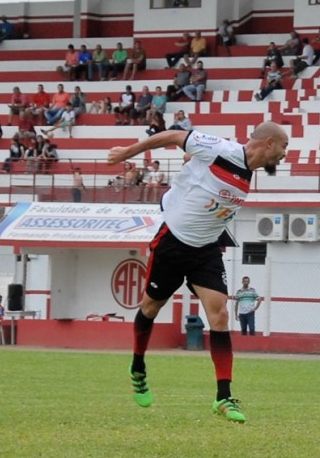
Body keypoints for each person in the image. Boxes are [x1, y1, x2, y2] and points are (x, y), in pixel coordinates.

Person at [107, 122, 288, 422]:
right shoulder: (222, 149)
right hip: (173, 243)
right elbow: (174, 136)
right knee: (150, 307)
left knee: (220, 315)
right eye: (283, 147)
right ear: (269, 142)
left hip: (206, 250)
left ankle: (223, 397)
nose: (284, 154)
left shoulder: (248, 173)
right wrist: (129, 151)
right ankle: (138, 367)